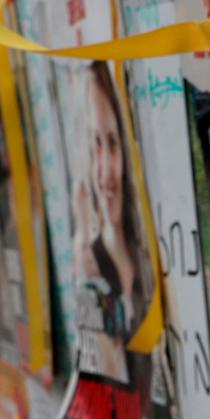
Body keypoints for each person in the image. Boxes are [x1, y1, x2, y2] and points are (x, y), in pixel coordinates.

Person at [74, 61, 148, 380]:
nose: (103, 173)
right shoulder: (92, 264)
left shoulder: (150, 255)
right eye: (96, 145)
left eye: (113, 144)